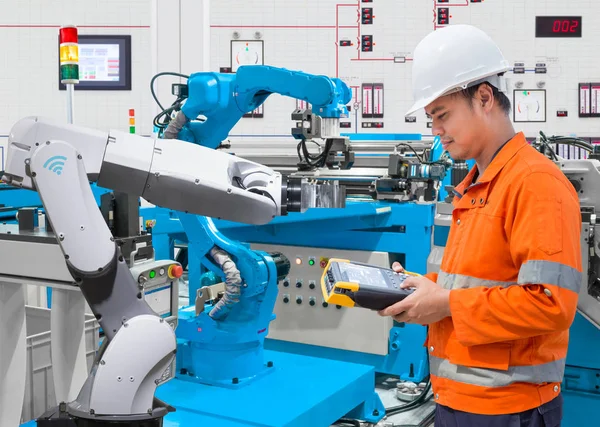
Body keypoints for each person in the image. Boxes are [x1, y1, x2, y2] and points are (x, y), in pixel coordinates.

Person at [379, 25, 582, 427]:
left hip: (509, 407)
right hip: (460, 398)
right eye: (431, 117)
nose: (435, 129)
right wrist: (424, 293)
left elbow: (550, 303)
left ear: (484, 97)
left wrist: (446, 303)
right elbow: (473, 282)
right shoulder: (476, 187)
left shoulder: (534, 183)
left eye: (442, 115)